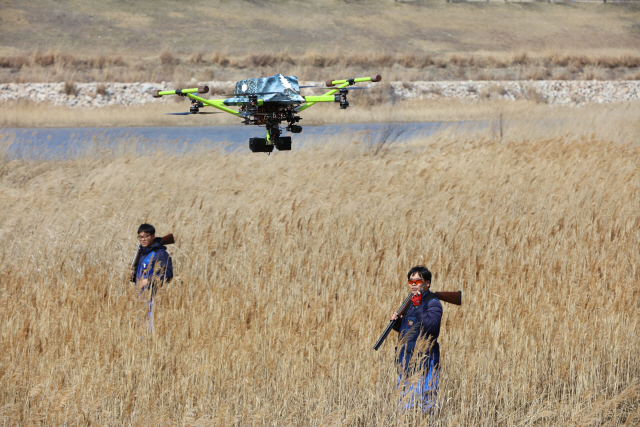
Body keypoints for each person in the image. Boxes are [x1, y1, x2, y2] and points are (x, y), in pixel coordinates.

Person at [390, 265, 442, 411]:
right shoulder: (411, 301)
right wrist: (397, 323)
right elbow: (409, 329)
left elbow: (431, 328)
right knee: (405, 403)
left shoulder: (433, 303)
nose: (413, 284)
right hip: (407, 359)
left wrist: (418, 306)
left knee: (426, 403)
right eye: (410, 281)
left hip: (426, 359)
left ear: (427, 283)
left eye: (417, 281)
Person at [132, 224, 173, 330]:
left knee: (150, 331)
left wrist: (149, 280)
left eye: (146, 236)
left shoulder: (160, 253)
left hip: (153, 299)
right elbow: (139, 274)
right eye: (140, 237)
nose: (143, 239)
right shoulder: (142, 253)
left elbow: (167, 275)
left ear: (153, 236)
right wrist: (131, 275)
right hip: (140, 298)